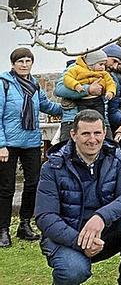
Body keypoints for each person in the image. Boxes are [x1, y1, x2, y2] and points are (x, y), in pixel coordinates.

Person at [35, 110, 121, 285]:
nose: (92, 139)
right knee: (74, 271)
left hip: (103, 233)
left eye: (97, 133)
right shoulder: (52, 167)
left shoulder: (115, 158)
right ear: (73, 135)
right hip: (66, 238)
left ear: (104, 133)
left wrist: (101, 217)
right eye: (86, 133)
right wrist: (80, 242)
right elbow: (45, 217)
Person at [0, 48, 62, 247]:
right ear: (13, 63)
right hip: (9, 143)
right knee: (6, 187)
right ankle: (3, 229)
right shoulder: (4, 84)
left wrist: (70, 107)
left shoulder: (34, 85)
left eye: (28, 61)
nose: (24, 64)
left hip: (31, 142)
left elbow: (47, 106)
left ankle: (25, 224)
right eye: (21, 61)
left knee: (33, 183)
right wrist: (1, 144)